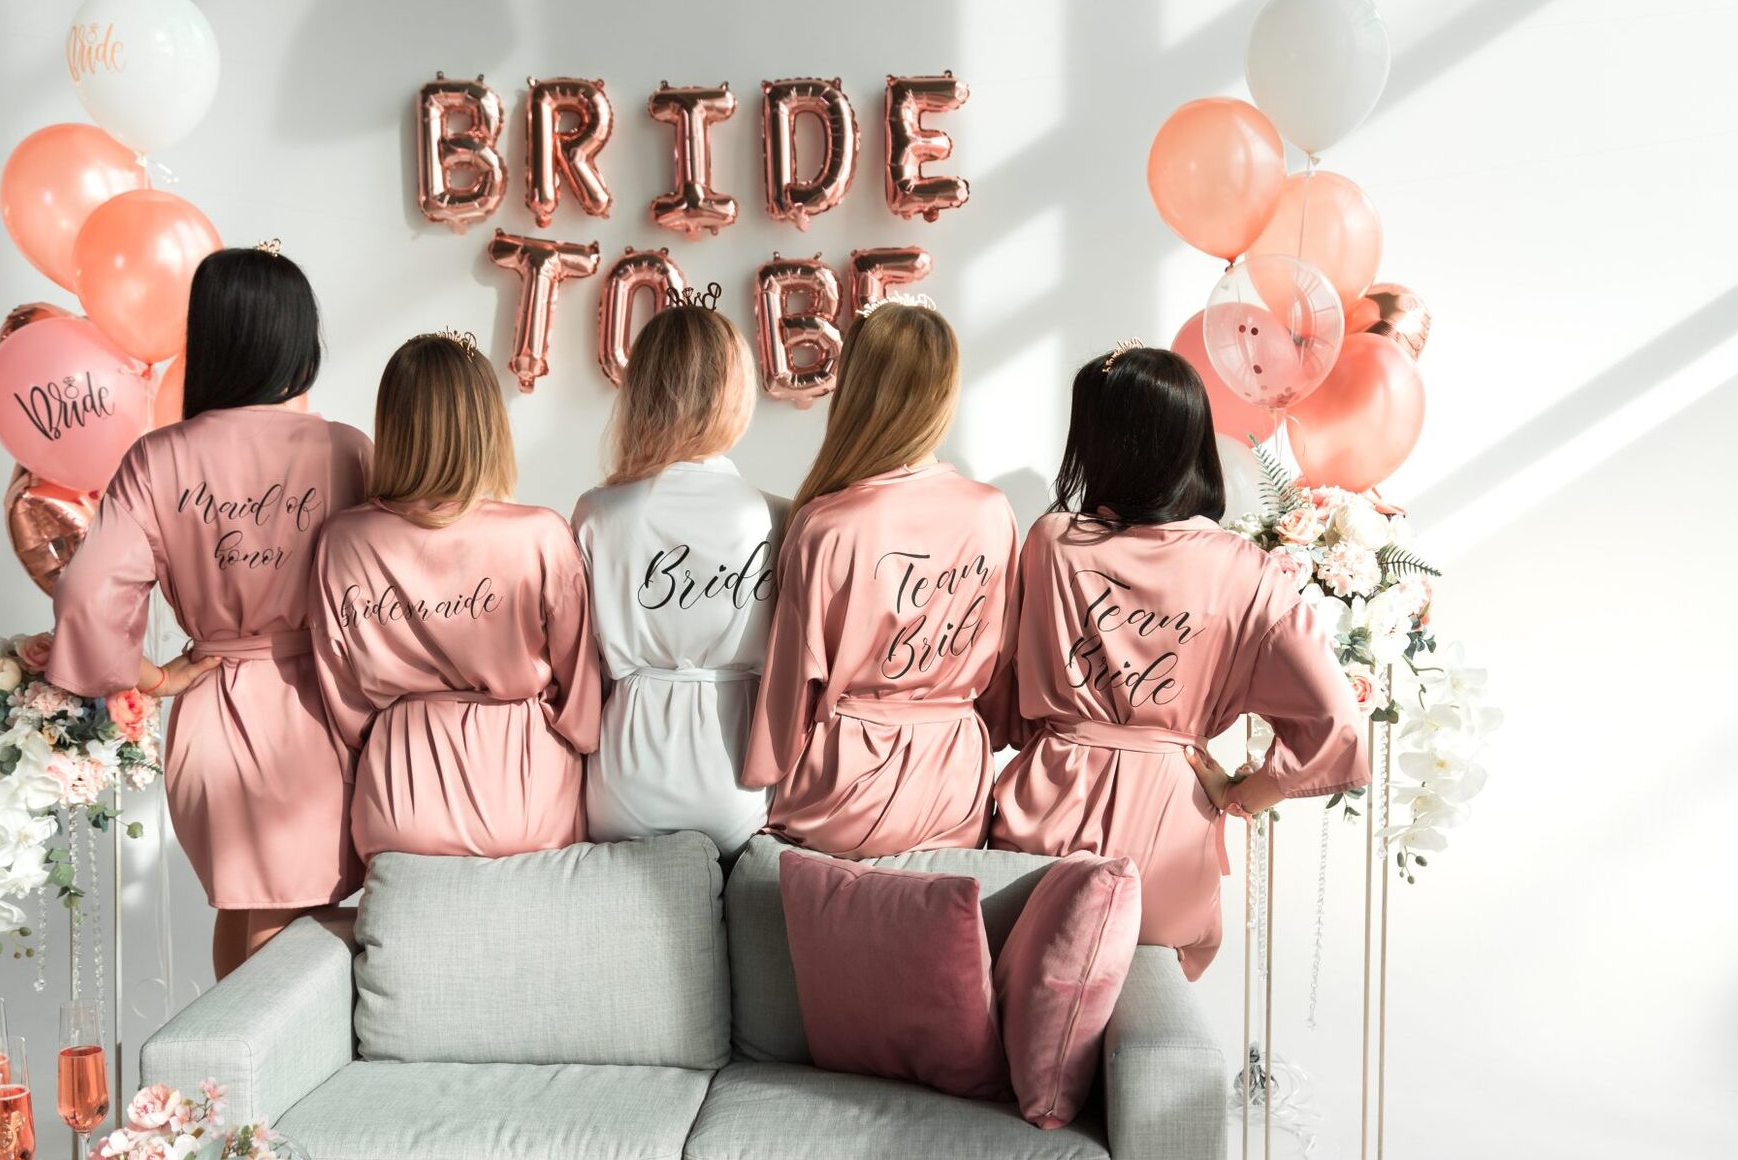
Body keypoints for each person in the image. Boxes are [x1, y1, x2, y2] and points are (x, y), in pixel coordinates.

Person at [988, 344, 1369, 980]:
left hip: (1046, 823)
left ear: (1104, 443)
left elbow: (1010, 702)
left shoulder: (1052, 543)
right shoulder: (1244, 569)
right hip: (1168, 851)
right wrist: (1246, 795)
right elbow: (1338, 722)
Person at [46, 244, 372, 979]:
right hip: (328, 708)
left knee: (247, 906)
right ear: (299, 338)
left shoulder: (157, 459)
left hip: (216, 712)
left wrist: (155, 678)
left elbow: (87, 591)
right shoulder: (347, 452)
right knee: (304, 920)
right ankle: (272, 1090)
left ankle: (230, 1088)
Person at [309, 331, 600, 864]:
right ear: (489, 424)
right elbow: (580, 692)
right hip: (525, 789)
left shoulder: (343, 539)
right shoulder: (540, 534)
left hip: (402, 790)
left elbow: (343, 699)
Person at [742, 299, 1018, 858]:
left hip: (845, 789)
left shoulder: (826, 524)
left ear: (856, 391)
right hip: (955, 783)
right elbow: (1004, 665)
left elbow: (792, 685)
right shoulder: (994, 513)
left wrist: (761, 780)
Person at [572, 307, 784, 860]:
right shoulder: (777, 518)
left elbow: (582, 664)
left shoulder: (597, 514)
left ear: (641, 389)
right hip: (739, 782)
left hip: (626, 778)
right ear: (735, 394)